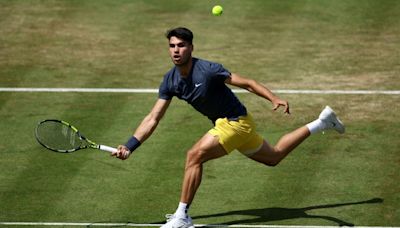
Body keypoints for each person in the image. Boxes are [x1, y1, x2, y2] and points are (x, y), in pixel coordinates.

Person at [112, 27, 345, 228]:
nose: (175, 50)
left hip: (235, 122)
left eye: (181, 45)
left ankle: (182, 216)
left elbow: (248, 83)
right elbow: (153, 117)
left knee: (194, 156)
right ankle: (323, 122)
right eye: (172, 46)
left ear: (191, 48)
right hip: (231, 125)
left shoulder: (208, 70)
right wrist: (131, 146)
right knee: (274, 157)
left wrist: (273, 98)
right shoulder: (170, 80)